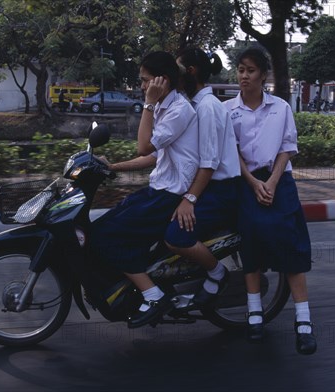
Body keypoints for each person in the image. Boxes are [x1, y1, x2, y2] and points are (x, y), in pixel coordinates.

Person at [90, 51, 199, 329]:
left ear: (162, 81)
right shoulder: (166, 106)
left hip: (169, 195)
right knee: (102, 225)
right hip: (157, 189)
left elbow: (144, 147)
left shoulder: (178, 110)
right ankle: (133, 288)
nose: (141, 87)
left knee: (105, 235)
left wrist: (148, 105)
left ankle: (153, 295)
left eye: (145, 81)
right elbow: (152, 158)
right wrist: (111, 167)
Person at [224, 46, 317, 355]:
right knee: (249, 244)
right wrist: (253, 183)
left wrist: (273, 182)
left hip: (279, 181)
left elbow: (287, 147)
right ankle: (254, 314)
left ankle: (303, 321)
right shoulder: (228, 111)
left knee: (290, 244)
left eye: (250, 70)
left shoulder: (280, 107)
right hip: (246, 182)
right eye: (240, 70)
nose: (244, 76)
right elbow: (230, 151)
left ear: (263, 75)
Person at [164, 47, 240, 307]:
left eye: (178, 69)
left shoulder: (207, 108)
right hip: (210, 187)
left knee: (175, 235)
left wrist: (190, 199)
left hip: (221, 192)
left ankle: (217, 273)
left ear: (191, 72)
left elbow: (208, 164)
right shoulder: (195, 104)